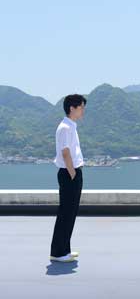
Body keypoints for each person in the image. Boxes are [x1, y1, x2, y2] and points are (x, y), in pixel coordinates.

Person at [49, 94, 87, 262]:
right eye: (81, 107)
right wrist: (73, 173)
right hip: (68, 174)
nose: (83, 111)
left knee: (70, 213)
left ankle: (65, 250)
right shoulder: (65, 127)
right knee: (66, 213)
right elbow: (65, 153)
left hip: (72, 172)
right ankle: (58, 253)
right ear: (72, 108)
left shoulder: (71, 126)